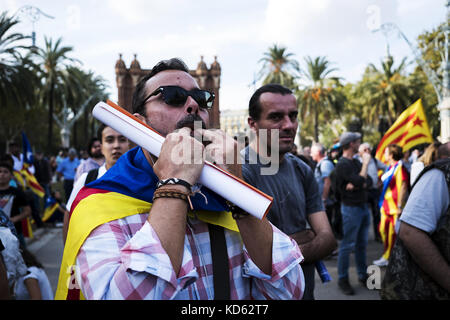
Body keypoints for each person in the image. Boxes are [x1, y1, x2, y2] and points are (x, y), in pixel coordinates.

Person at [55, 58, 304, 300]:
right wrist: (173, 187)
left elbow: (289, 291)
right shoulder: (100, 203)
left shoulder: (223, 194)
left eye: (201, 99)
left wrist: (237, 190)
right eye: (171, 96)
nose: (192, 105)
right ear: (139, 123)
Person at [241, 84, 336, 300]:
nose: (289, 125)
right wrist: (308, 238)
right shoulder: (239, 172)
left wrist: (280, 252)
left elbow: (329, 240)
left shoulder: (302, 169)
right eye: (276, 117)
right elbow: (251, 258)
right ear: (253, 124)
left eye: (293, 116)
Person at [381, 145, 450, 299]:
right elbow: (410, 233)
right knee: (387, 233)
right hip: (426, 291)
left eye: (386, 152)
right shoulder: (439, 175)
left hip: (395, 208)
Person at [64, 124, 130, 242]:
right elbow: (70, 215)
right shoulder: (87, 180)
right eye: (109, 140)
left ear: (129, 144)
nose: (116, 146)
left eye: (122, 140)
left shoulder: (141, 181)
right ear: (102, 147)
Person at [334, 132, 372, 295]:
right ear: (351, 144)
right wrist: (365, 165)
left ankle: (363, 276)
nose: (360, 144)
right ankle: (343, 279)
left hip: (362, 207)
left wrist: (358, 182)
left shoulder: (354, 162)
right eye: (357, 141)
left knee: (361, 244)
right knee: (347, 245)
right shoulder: (343, 164)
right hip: (351, 208)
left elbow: (368, 181)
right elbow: (359, 180)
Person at [373, 144, 409, 267]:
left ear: (391, 155)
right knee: (383, 230)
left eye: (386, 152)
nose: (384, 155)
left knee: (392, 234)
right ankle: (387, 255)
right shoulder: (390, 168)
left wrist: (399, 205)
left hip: (394, 208)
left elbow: (404, 185)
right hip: (386, 206)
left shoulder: (400, 168)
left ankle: (390, 257)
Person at [356, 143, 387, 242]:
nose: (367, 151)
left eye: (368, 149)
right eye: (365, 150)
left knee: (377, 213)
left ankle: (378, 235)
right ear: (360, 152)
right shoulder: (356, 161)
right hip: (363, 191)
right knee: (361, 214)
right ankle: (360, 237)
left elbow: (386, 168)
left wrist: (382, 181)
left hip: (374, 190)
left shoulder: (374, 160)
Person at [0, 158, 32, 248]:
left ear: (11, 176)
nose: (2, 174)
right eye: (0, 171)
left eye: (5, 172)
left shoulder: (17, 192)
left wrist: (13, 219)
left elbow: (27, 211)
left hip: (15, 232)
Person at [311, 142, 335, 232]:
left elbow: (327, 182)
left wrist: (324, 199)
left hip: (326, 203)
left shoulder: (325, 164)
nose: (311, 154)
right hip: (324, 202)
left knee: (327, 228)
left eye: (312, 152)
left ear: (317, 152)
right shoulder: (322, 163)